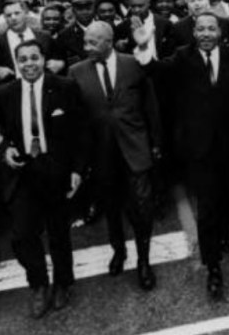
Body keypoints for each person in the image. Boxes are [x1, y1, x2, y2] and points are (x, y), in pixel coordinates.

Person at [133, 12, 229, 300]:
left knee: (227, 194)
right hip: (197, 147)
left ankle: (225, 232)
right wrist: (143, 48)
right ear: (194, 32)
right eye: (199, 29)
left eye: (210, 29)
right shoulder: (182, 57)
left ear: (220, 32)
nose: (204, 33)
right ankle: (213, 267)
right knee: (206, 204)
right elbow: (156, 70)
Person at [0, 40, 86, 319]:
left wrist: (77, 170)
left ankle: (63, 283)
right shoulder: (5, 93)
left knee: (58, 233)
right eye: (23, 59)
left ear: (43, 59)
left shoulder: (64, 87)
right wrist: (6, 148)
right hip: (22, 174)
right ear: (17, 62)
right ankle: (39, 284)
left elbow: (80, 131)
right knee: (22, 235)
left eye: (34, 58)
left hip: (55, 171)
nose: (29, 64)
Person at [69, 22, 161, 291]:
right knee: (111, 207)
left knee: (142, 209)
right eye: (85, 42)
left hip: (135, 149)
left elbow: (151, 107)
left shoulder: (134, 64)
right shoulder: (76, 72)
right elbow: (79, 121)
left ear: (109, 42)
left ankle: (144, 261)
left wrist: (156, 144)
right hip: (102, 154)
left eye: (92, 43)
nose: (86, 48)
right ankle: (118, 251)